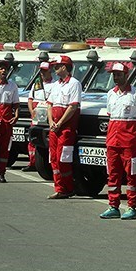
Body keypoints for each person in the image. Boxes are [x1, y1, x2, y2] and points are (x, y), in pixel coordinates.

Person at [99, 61, 136, 220]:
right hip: (112, 140)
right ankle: (113, 206)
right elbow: (110, 115)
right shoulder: (110, 94)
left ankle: (131, 207)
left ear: (126, 75)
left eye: (119, 75)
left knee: (132, 174)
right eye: (114, 75)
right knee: (112, 174)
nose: (116, 78)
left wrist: (131, 130)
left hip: (129, 142)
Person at [46, 55, 82, 199]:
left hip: (66, 128)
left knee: (63, 158)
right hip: (54, 128)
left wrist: (60, 123)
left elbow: (72, 107)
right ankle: (60, 187)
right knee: (53, 158)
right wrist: (51, 122)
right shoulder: (56, 85)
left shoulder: (74, 84)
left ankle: (68, 187)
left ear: (64, 67)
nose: (55, 69)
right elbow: (50, 104)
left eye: (57, 66)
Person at [24, 61, 54, 171]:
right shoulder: (37, 83)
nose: (42, 73)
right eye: (41, 70)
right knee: (33, 139)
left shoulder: (55, 84)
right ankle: (32, 162)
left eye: (45, 70)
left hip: (47, 114)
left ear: (50, 70)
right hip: (37, 115)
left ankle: (46, 163)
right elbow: (30, 99)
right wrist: (32, 111)